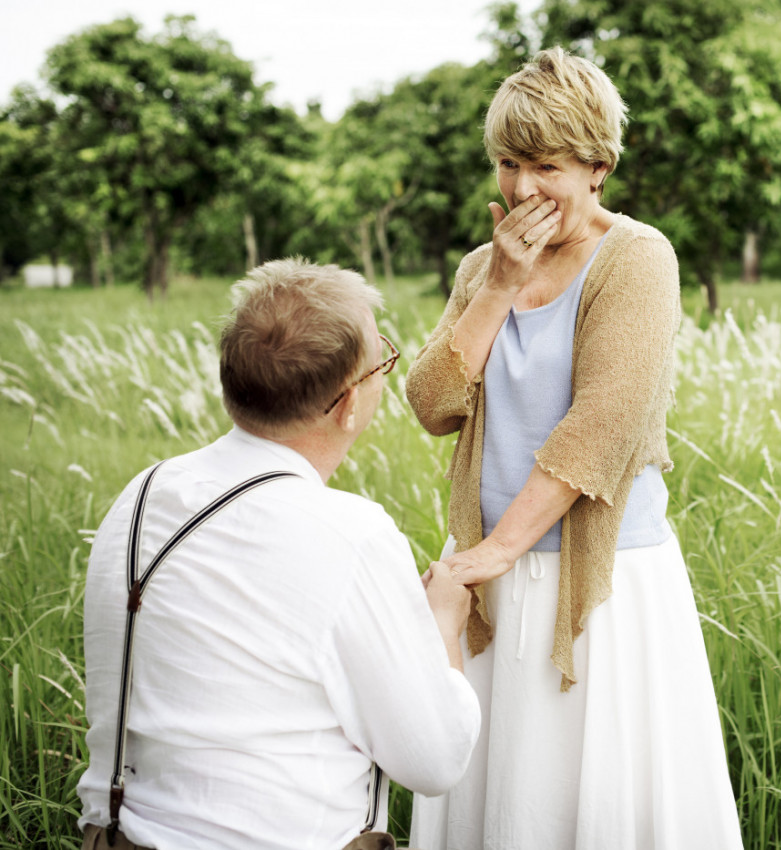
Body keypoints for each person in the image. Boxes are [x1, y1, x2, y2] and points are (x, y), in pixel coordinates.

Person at [404, 48, 744, 849]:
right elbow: (431, 404)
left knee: (586, 791)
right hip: (489, 576)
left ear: (599, 167)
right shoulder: (481, 267)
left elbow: (603, 426)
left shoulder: (637, 257)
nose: (522, 189)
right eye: (508, 163)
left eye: (546, 165)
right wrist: (495, 286)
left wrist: (495, 550)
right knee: (502, 791)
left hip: (596, 579)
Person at [76, 259, 482, 850]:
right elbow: (435, 761)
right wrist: (443, 625)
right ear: (347, 405)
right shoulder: (351, 534)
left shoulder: (140, 494)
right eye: (383, 361)